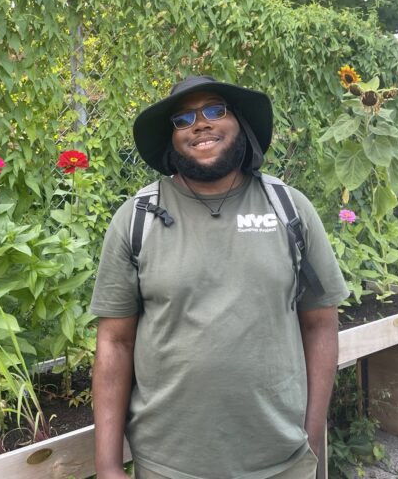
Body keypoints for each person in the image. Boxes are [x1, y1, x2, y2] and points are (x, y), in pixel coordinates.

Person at [91, 75, 350, 479]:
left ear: (240, 123)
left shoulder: (288, 208)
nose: (200, 124)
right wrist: (107, 465)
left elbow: (320, 324)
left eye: (215, 110)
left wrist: (311, 437)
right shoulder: (136, 219)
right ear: (171, 139)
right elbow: (115, 341)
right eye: (183, 119)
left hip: (281, 459)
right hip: (168, 463)